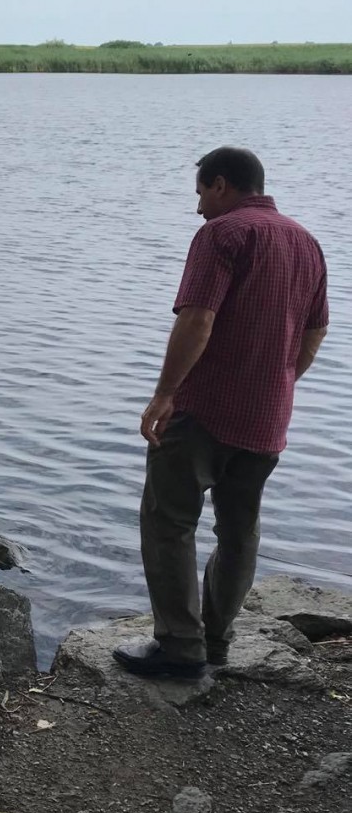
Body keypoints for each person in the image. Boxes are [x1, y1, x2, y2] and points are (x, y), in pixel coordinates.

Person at [114, 147, 328, 681]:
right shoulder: (306, 242)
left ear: (221, 185)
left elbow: (198, 319)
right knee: (239, 531)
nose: (198, 209)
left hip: (204, 411)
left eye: (201, 194)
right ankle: (216, 643)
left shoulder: (222, 234)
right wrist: (280, 382)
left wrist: (164, 394)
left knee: (168, 522)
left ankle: (179, 648)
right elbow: (316, 329)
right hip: (268, 418)